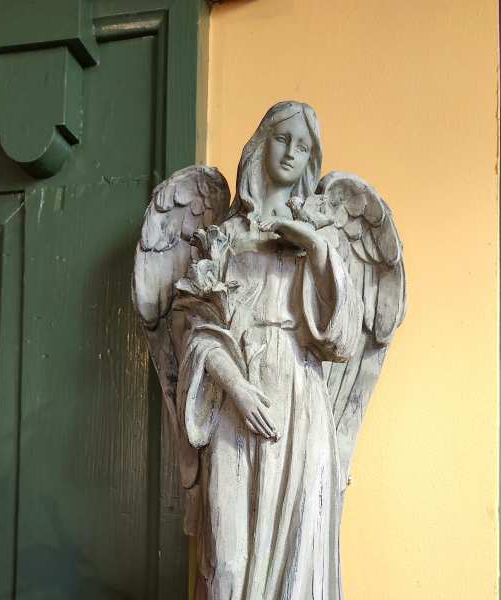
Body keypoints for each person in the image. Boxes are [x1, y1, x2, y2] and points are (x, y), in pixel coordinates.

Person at [176, 101, 363, 600]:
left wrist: (316, 249)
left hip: (299, 398)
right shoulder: (223, 237)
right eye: (283, 139)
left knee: (299, 553)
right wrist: (237, 390)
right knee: (227, 563)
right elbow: (198, 332)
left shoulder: (319, 241)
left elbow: (343, 340)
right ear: (262, 144)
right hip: (234, 393)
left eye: (303, 146)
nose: (290, 153)